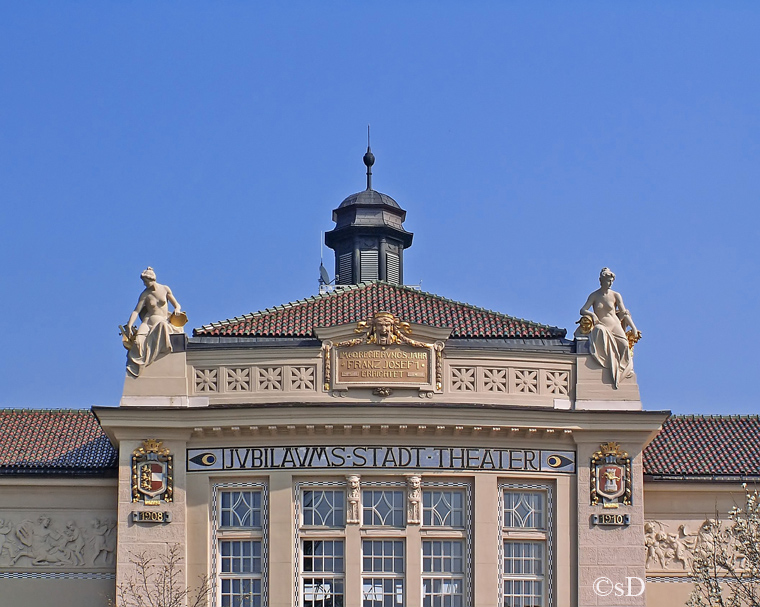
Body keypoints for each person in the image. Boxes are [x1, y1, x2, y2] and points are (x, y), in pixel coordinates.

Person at [579, 268, 641, 388]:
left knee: (624, 347)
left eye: (611, 281)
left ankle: (621, 373)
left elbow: (624, 313)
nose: (610, 283)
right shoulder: (594, 295)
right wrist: (592, 315)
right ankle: (609, 369)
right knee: (600, 331)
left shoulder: (616, 295)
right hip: (603, 325)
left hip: (615, 324)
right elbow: (583, 310)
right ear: (601, 280)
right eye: (608, 281)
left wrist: (633, 327)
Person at [123, 267, 184, 377]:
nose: (144, 284)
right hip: (148, 322)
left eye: (145, 282)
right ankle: (136, 369)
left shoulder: (165, 289)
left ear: (152, 280)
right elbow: (136, 311)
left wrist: (177, 310)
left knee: (163, 326)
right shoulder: (145, 295)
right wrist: (129, 324)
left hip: (162, 320)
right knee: (137, 343)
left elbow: (177, 304)